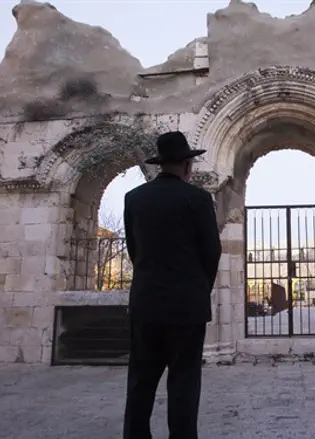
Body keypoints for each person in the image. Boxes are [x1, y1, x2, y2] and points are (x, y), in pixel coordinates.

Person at [122, 131, 222, 439]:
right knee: (184, 381)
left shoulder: (134, 198)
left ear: (160, 164)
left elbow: (133, 249)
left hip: (146, 303)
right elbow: (212, 251)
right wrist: (197, 289)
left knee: (141, 381)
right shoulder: (199, 199)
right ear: (187, 165)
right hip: (187, 307)